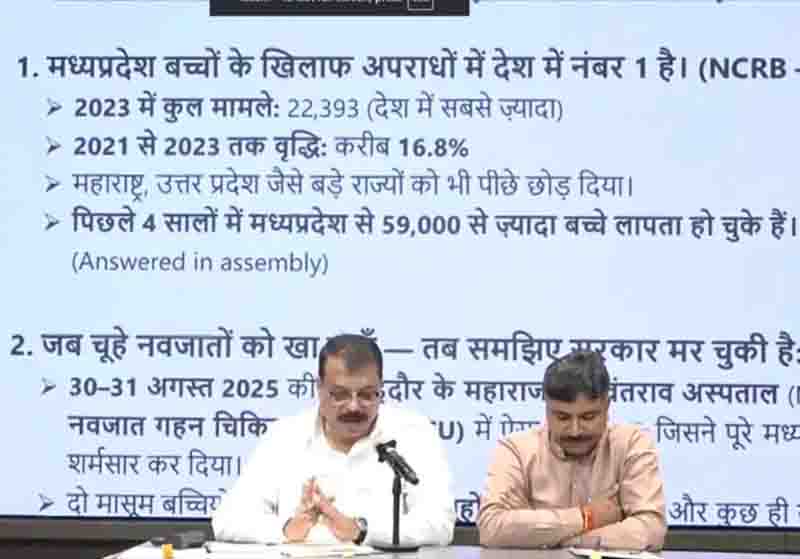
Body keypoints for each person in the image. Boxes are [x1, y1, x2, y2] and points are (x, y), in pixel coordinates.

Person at [212, 333, 455, 547]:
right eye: (340, 395)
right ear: (319, 388)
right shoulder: (284, 436)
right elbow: (227, 519)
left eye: (367, 395)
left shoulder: (413, 434)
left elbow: (439, 524)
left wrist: (361, 531)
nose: (354, 406)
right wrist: (287, 529)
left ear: (381, 388)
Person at [478, 350, 667, 550]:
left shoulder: (631, 444)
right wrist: (586, 517)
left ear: (607, 407)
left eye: (588, 417)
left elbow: (651, 529)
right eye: (562, 417)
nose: (575, 431)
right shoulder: (516, 450)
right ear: (546, 409)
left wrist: (566, 540)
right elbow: (491, 527)